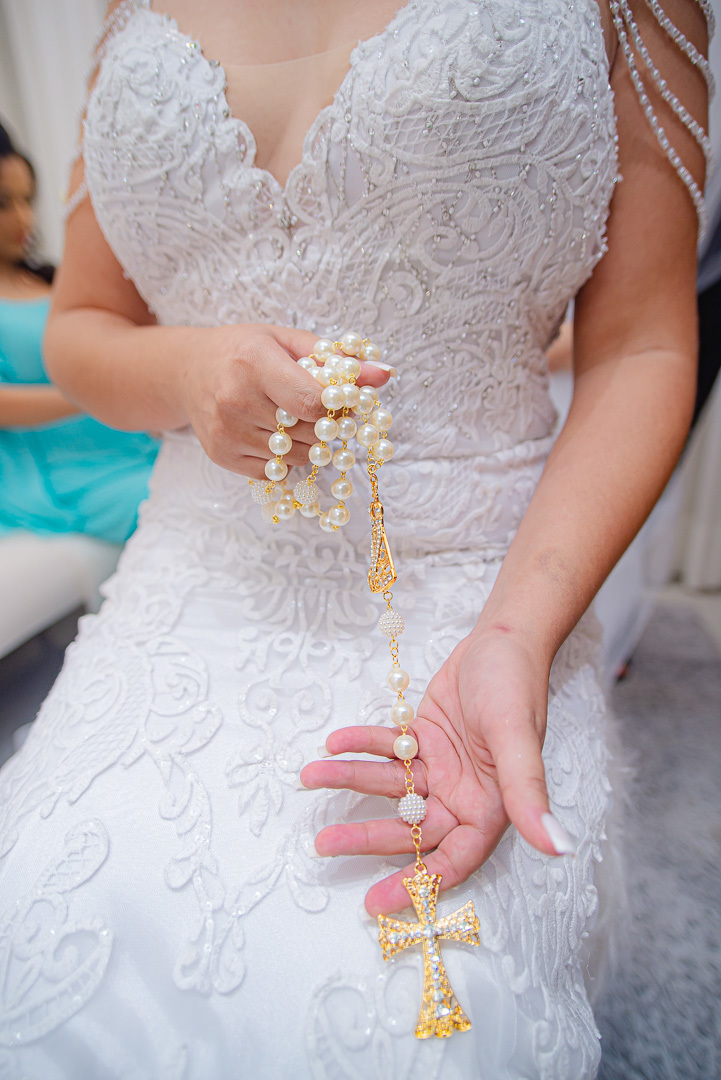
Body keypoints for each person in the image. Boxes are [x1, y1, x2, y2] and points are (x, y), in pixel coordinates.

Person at [0, 0, 709, 1076]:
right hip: (189, 588)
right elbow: (82, 327)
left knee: (406, 1010)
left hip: (472, 600)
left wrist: (515, 637)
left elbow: (643, 345)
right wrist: (187, 374)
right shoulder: (123, 13)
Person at [0, 122, 158, 543]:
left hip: (135, 447)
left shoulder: (52, 279)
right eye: (3, 203)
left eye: (27, 200)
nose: (24, 218)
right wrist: (96, 390)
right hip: (65, 477)